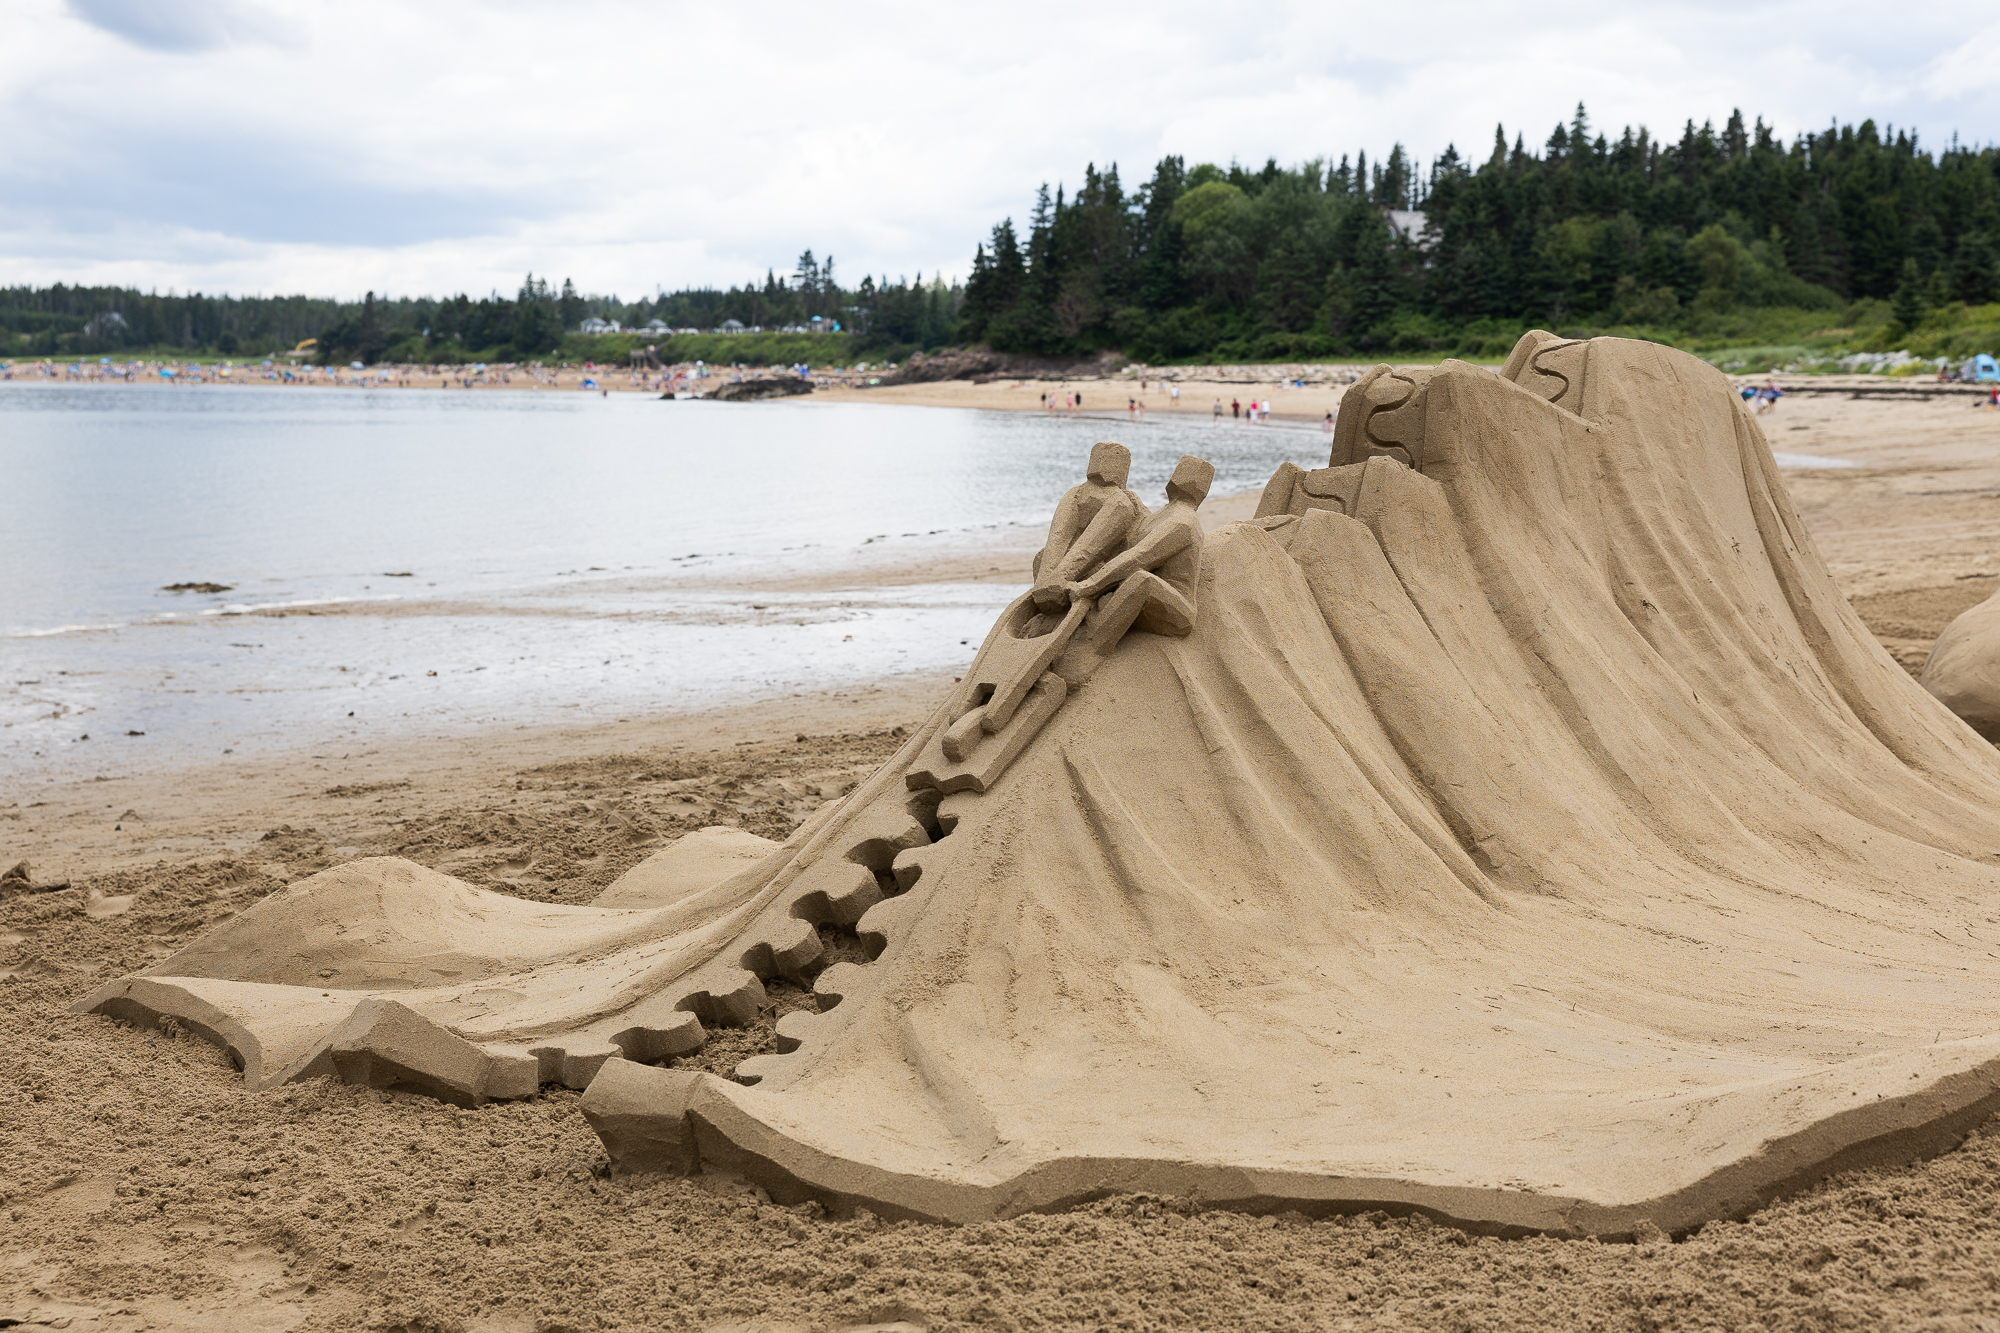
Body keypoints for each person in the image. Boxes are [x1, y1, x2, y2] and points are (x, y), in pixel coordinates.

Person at [1031, 442, 1146, 613]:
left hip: (1083, 576)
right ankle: (1051, 585)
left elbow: (1085, 545)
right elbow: (1061, 539)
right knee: (1044, 558)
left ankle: (1051, 586)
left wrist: (1053, 579)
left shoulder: (1079, 494)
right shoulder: (1118, 501)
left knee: (1048, 561)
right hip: (1073, 578)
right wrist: (1051, 579)